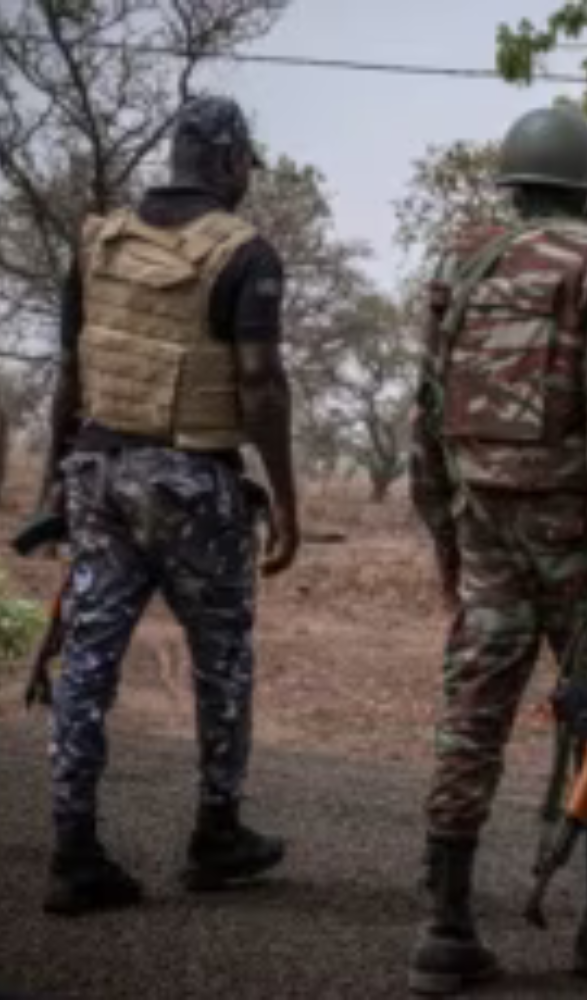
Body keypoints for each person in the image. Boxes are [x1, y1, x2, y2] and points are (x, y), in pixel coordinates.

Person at [407, 106, 587, 994]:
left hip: (484, 526)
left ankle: (444, 930)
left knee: (474, 716)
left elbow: (423, 416)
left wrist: (446, 539)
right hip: (574, 536)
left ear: (513, 181)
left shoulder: (461, 258)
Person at [40, 95, 300, 915]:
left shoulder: (100, 243)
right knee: (221, 658)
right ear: (228, 162)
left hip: (99, 473)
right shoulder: (246, 255)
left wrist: (54, 480)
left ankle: (73, 849)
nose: (247, 177)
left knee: (87, 661)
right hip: (194, 485)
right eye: (246, 164)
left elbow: (71, 377)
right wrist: (286, 500)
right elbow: (259, 386)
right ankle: (216, 834)